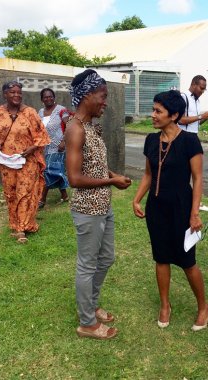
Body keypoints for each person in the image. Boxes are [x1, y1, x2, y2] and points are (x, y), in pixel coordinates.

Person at [133, 90, 208, 331]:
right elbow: (148, 174)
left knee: (188, 261)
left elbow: (198, 179)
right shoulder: (150, 140)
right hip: (156, 207)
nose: (153, 115)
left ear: (174, 115)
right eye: (153, 109)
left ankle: (203, 307)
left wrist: (194, 213)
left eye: (158, 111)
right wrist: (137, 199)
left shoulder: (189, 141)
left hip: (182, 208)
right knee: (161, 257)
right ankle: (165, 305)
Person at [65, 69, 132, 339]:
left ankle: (90, 306)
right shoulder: (75, 129)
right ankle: (87, 322)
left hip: (103, 206)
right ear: (87, 96)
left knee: (106, 258)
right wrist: (111, 182)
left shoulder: (91, 126)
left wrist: (113, 175)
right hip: (87, 210)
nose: (105, 102)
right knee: (87, 264)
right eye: (102, 96)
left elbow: (96, 167)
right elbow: (75, 178)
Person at [0, 80, 50, 244]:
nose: (16, 95)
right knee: (10, 193)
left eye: (19, 92)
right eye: (12, 92)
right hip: (6, 161)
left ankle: (23, 228)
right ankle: (16, 224)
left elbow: (42, 136)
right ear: (5, 94)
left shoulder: (30, 113)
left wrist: (31, 149)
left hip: (27, 161)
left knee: (25, 193)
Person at [178, 75, 208, 212]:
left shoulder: (197, 101)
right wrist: (201, 115)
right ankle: (190, 202)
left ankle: (197, 203)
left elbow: (196, 122)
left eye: (204, 89)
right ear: (194, 84)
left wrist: (206, 118)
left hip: (194, 137)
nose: (202, 91)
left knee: (197, 173)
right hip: (184, 138)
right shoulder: (183, 97)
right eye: (201, 88)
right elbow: (180, 120)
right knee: (184, 172)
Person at [38, 88, 70, 208]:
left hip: (58, 146)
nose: (48, 99)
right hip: (45, 147)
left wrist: (63, 141)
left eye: (50, 96)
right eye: (46, 97)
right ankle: (65, 195)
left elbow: (69, 126)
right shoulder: (40, 112)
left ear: (54, 97)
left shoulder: (61, 110)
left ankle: (42, 199)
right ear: (42, 99)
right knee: (56, 171)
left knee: (48, 170)